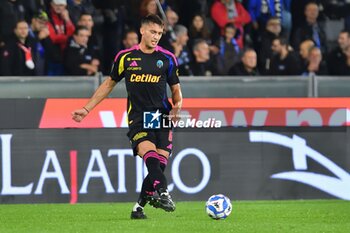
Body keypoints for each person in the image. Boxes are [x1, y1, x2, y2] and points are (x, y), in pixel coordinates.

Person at [71, 14, 182, 219]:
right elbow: (108, 84)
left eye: (159, 33)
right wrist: (87, 109)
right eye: (153, 32)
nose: (156, 36)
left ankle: (138, 208)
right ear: (142, 31)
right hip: (139, 118)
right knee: (151, 159)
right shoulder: (126, 57)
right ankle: (164, 193)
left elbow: (176, 89)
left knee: (160, 165)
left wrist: (178, 107)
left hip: (162, 117)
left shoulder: (167, 58)